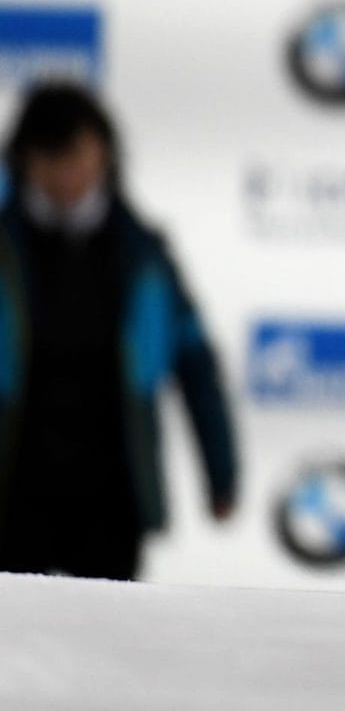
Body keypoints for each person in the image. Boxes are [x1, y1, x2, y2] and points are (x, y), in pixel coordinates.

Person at [0, 82, 238, 579]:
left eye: (82, 154)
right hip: (15, 489)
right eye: (55, 157)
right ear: (27, 161)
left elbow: (195, 364)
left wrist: (221, 471)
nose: (71, 173)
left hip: (113, 491)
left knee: (104, 646)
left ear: (106, 152)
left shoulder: (144, 254)